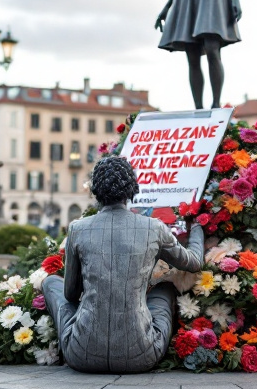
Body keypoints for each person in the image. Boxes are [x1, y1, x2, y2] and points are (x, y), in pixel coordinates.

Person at [41, 156, 205, 373]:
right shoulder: (153, 228)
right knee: (165, 288)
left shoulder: (78, 229)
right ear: (132, 188)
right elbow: (193, 263)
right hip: (141, 355)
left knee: (51, 282)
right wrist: (197, 228)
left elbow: (71, 295)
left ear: (95, 190)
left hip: (81, 354)